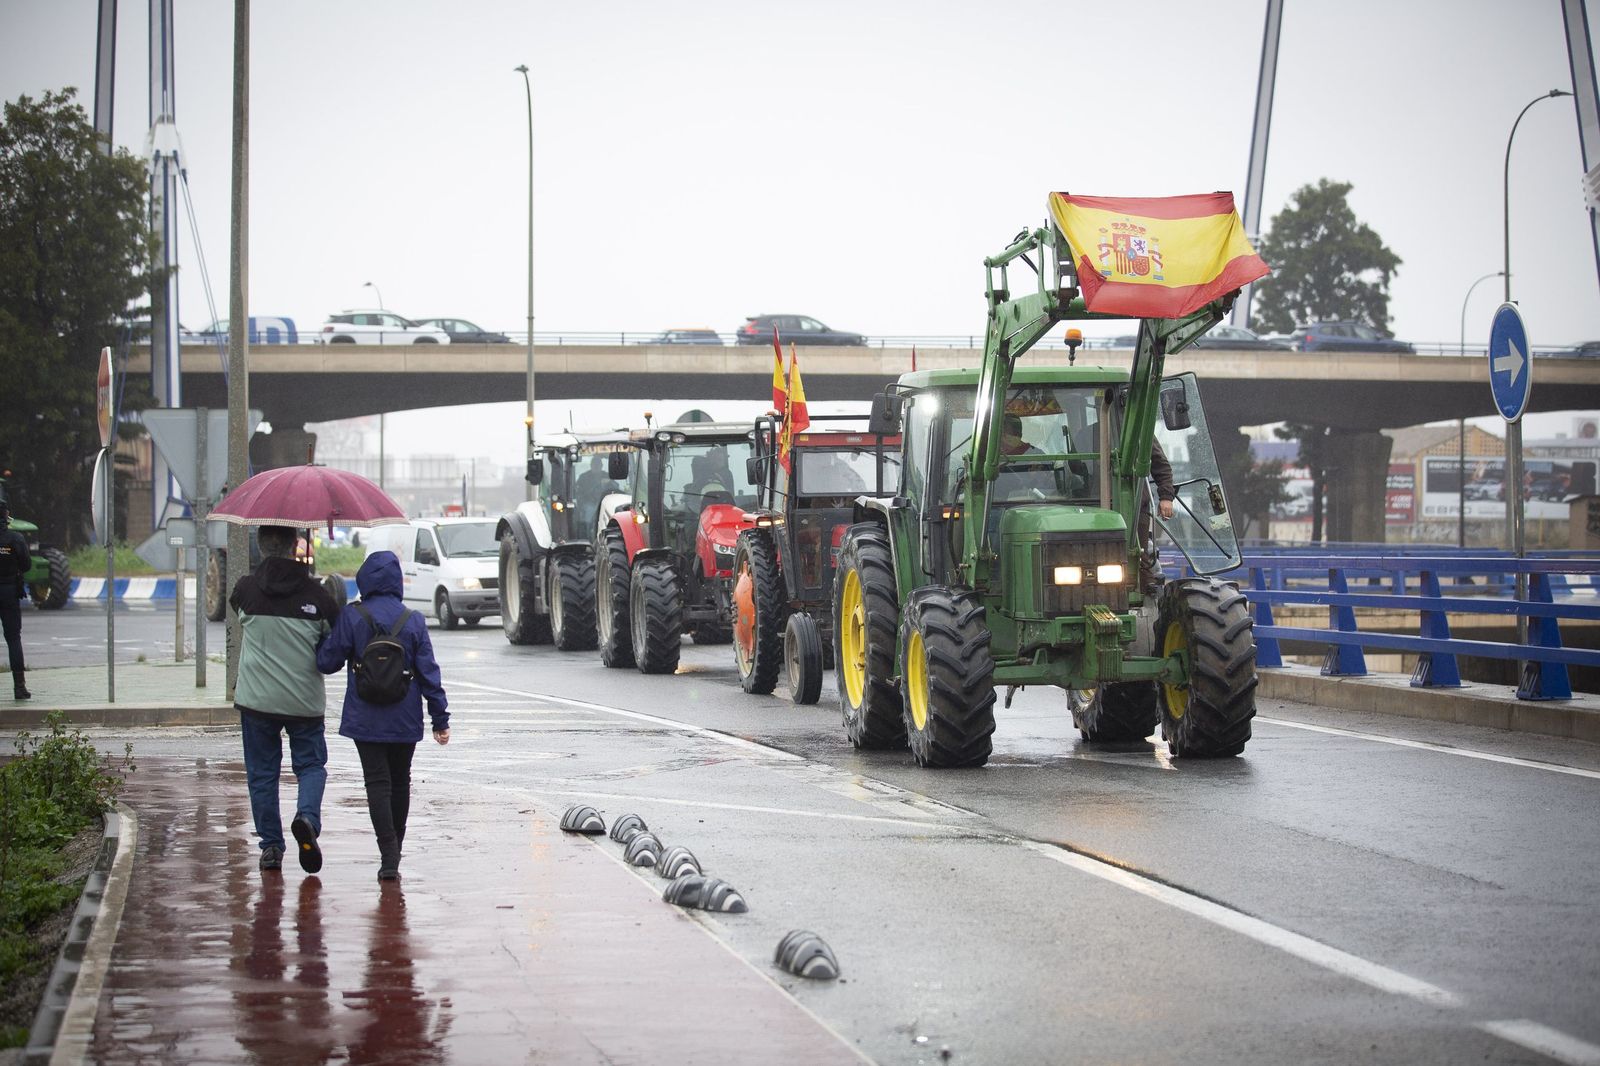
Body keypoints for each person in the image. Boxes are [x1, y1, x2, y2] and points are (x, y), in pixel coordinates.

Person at [317, 551, 450, 883]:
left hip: (365, 718)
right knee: (400, 780)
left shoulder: (352, 616)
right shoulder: (413, 620)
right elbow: (429, 672)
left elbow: (327, 663)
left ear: (364, 579)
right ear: (395, 581)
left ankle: (387, 852)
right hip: (405, 719)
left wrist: (326, 632)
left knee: (377, 783)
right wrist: (440, 718)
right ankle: (396, 850)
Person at [230, 525, 342, 874]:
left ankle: (270, 848)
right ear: (297, 544)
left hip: (257, 701)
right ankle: (306, 817)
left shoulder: (245, 591)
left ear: (261, 546)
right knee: (310, 766)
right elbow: (332, 644)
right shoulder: (319, 596)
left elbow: (241, 614)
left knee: (262, 774)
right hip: (303, 701)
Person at [0, 501, 30, 700]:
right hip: (9, 591)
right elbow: (26, 565)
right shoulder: (15, 538)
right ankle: (19, 687)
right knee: (13, 639)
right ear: (6, 515)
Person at [1141, 439, 1177, 594]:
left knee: (1140, 555)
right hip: (1088, 505)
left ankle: (1147, 599)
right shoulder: (1084, 435)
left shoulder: (1138, 429)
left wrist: (1166, 497)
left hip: (1134, 506)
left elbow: (1160, 465)